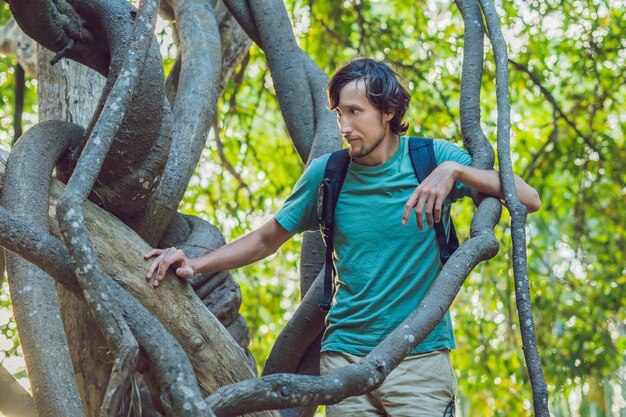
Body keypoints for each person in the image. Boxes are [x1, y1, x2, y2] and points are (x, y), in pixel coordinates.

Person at [145, 58, 540, 416]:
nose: (344, 127)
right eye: (338, 114)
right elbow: (266, 238)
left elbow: (528, 198)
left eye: (355, 112)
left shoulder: (430, 159)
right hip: (343, 358)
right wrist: (194, 263)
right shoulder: (327, 173)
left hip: (419, 356)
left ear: (388, 111)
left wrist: (457, 172)